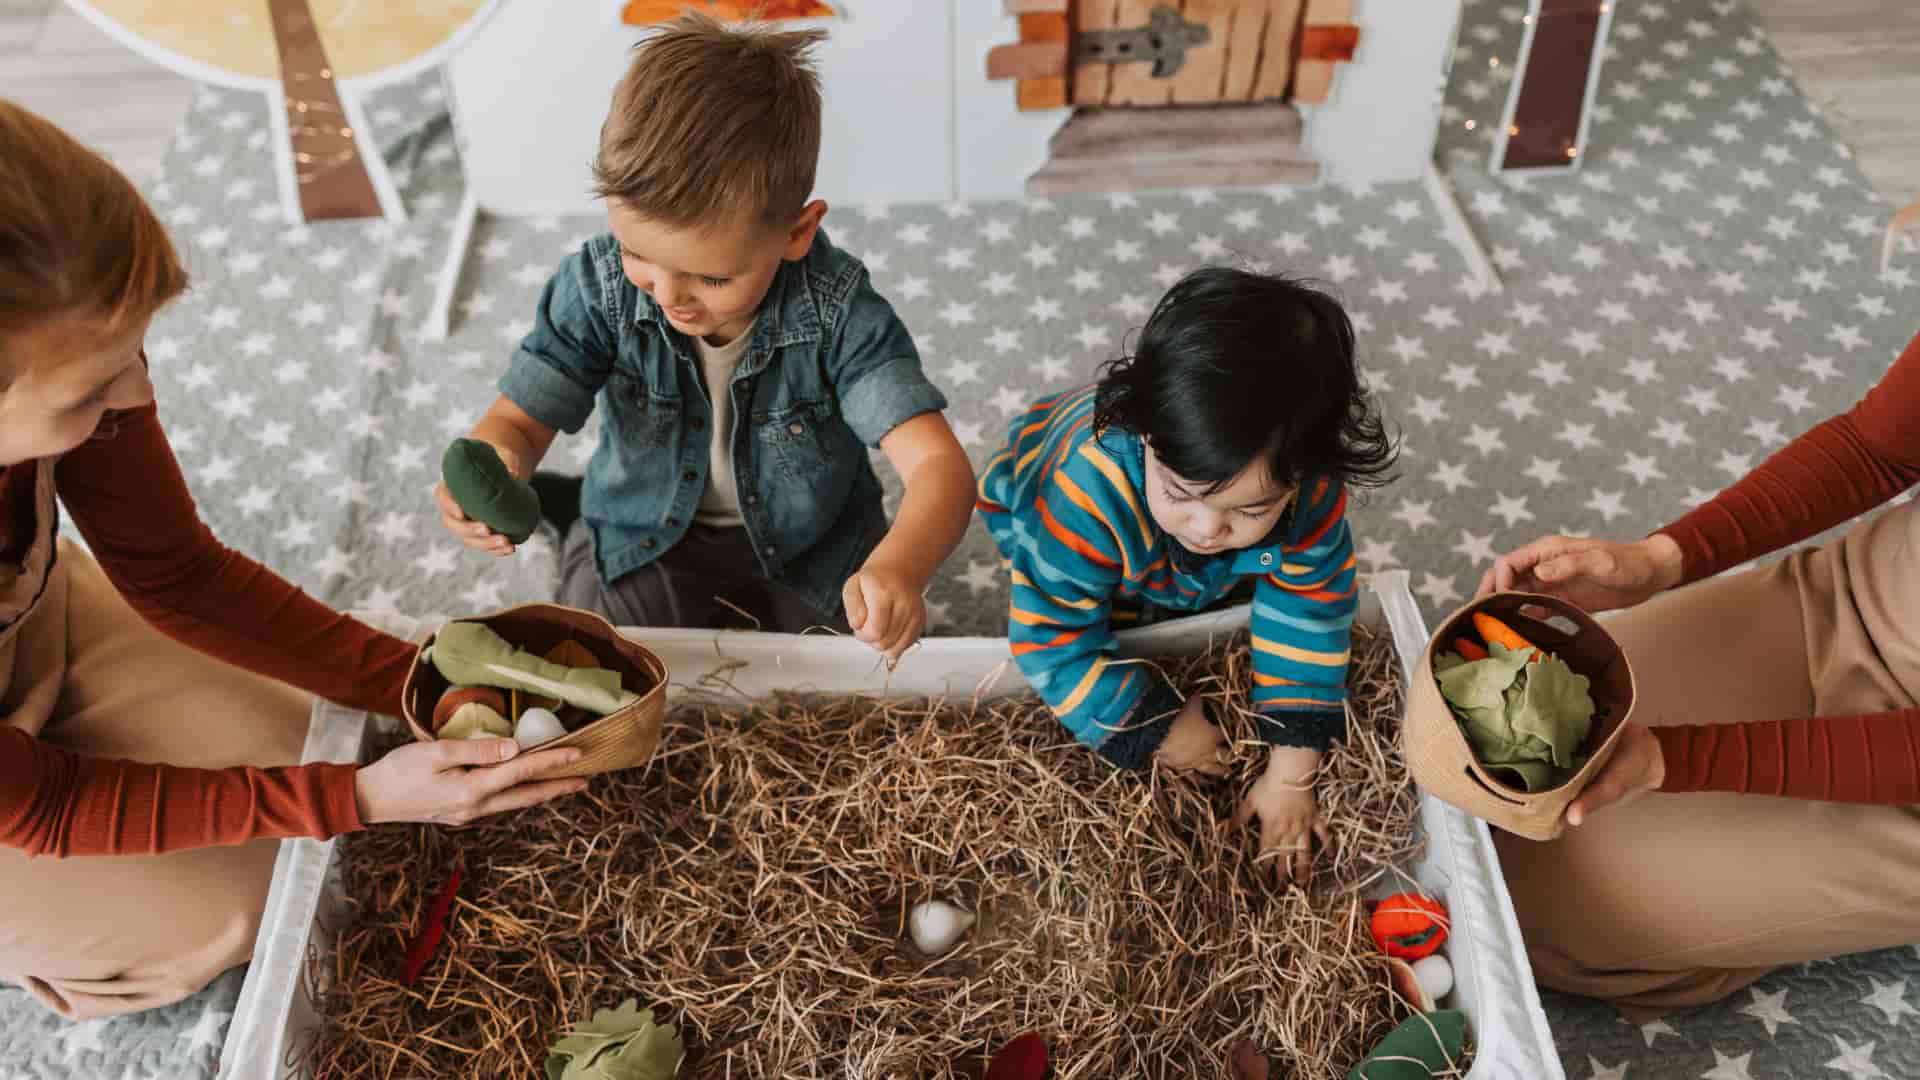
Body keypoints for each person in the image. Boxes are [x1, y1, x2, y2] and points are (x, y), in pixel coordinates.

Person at [0, 101, 586, 1020]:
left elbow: (178, 574)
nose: (140, 394)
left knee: (297, 749)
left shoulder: (72, 358)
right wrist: (350, 799)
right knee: (244, 902)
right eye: (91, 389)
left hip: (35, 630)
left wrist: (414, 682)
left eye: (138, 351)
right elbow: (43, 807)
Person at [436, 14, 974, 661]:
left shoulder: (838, 310)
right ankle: (574, 511)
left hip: (813, 546)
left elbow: (940, 468)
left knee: (867, 666)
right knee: (594, 654)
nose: (667, 296)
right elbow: (518, 424)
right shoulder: (599, 287)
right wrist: (496, 465)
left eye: (712, 276)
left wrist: (899, 570)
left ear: (797, 233)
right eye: (638, 253)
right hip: (647, 533)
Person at [1479, 329, 1920, 1015]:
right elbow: (1878, 446)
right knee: (1498, 773)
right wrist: (1659, 561)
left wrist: (1676, 759)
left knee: (1524, 920)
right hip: (1858, 599)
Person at [976, 268, 1397, 882]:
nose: (1205, 528)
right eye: (1182, 493)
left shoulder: (1310, 495)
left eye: (1250, 508)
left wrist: (1291, 773)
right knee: (1094, 605)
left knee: (1267, 577)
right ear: (1146, 435)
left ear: (1305, 474)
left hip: (1160, 542)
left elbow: (1311, 613)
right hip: (1039, 508)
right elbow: (1048, 635)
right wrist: (1155, 728)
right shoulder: (1084, 493)